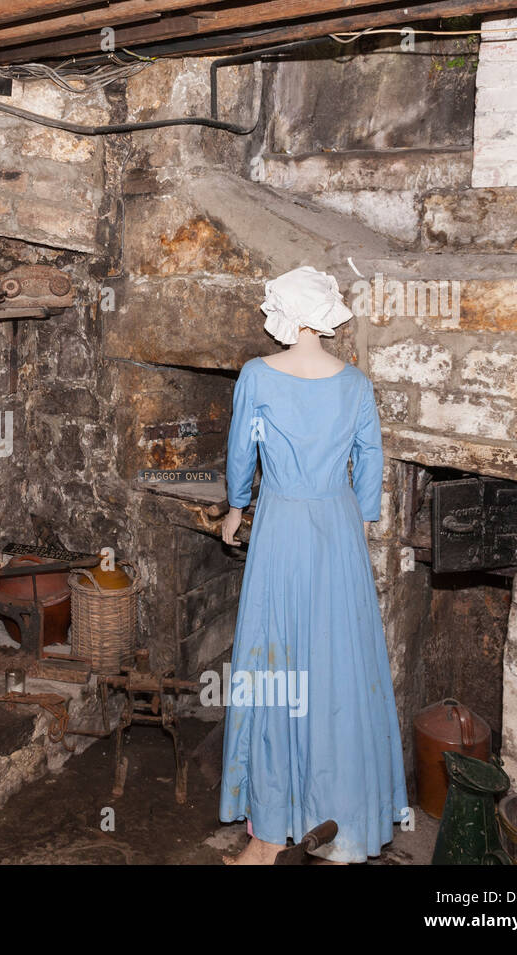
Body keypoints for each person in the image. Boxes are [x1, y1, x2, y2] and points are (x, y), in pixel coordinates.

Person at [218, 266, 408, 865]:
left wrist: (236, 505)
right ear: (323, 316)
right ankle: (339, 821)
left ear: (286, 315)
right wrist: (368, 512)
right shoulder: (354, 384)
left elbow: (241, 450)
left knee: (275, 662)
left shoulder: (257, 376)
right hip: (337, 531)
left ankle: (271, 830)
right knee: (338, 667)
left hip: (281, 529)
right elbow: (370, 454)